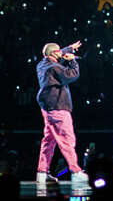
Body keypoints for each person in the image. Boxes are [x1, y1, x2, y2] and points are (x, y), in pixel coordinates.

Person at [35, 41, 89, 185]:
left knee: (49, 140)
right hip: (57, 106)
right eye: (59, 51)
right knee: (67, 138)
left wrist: (69, 48)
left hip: (47, 107)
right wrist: (72, 62)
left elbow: (54, 52)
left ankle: (42, 172)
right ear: (53, 54)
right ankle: (75, 171)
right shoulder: (55, 67)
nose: (61, 53)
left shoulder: (42, 64)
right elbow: (71, 75)